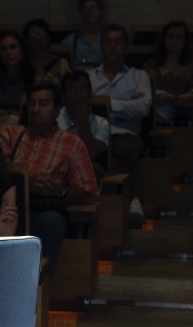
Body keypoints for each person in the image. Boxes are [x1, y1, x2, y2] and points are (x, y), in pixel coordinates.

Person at [0, 82, 97, 275]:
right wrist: (27, 182)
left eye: (43, 104)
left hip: (42, 210)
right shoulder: (8, 134)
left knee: (53, 222)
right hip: (7, 207)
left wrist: (60, 191)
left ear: (57, 110)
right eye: (32, 104)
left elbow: (88, 190)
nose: (36, 109)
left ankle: (37, 286)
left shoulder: (71, 142)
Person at [88, 24, 151, 225]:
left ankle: (135, 202)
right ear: (101, 47)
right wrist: (127, 104)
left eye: (118, 42)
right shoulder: (89, 77)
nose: (113, 46)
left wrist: (105, 104)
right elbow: (82, 107)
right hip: (93, 132)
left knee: (130, 147)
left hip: (125, 134)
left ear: (126, 47)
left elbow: (143, 108)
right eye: (108, 42)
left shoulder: (138, 76)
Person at [57, 69, 110, 176]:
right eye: (71, 89)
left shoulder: (101, 123)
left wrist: (83, 120)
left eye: (83, 88)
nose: (78, 94)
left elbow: (91, 154)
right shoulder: (54, 118)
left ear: (90, 93)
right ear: (63, 96)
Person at [0, 32, 34, 127]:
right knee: (13, 120)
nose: (8, 52)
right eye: (3, 49)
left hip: (24, 125)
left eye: (13, 47)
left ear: (22, 50)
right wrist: (6, 113)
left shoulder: (32, 77)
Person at [142, 20, 193, 126]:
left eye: (179, 37)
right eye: (170, 36)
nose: (174, 41)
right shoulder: (150, 65)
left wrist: (173, 98)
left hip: (171, 110)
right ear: (164, 39)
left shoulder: (189, 68)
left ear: (185, 41)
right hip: (145, 105)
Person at [24, 19, 69, 86]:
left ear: (48, 38)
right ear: (27, 39)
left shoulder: (61, 63)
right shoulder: (23, 63)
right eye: (33, 35)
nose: (37, 38)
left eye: (42, 34)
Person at [62, 0, 104, 69]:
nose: (89, 11)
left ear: (100, 12)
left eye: (93, 8)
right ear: (81, 13)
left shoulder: (108, 40)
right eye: (86, 8)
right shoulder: (70, 40)